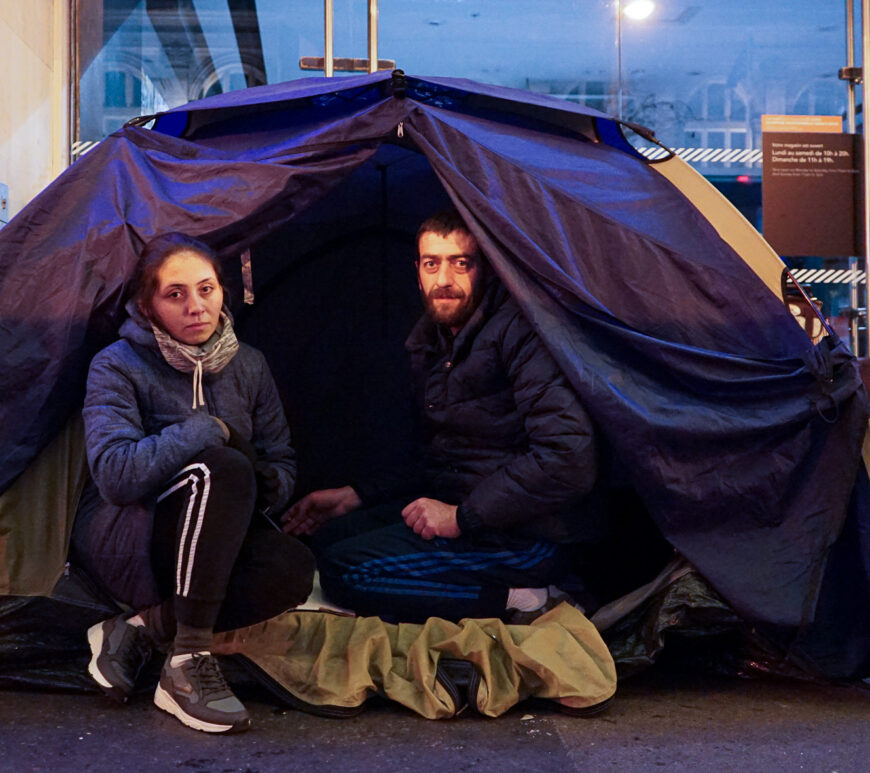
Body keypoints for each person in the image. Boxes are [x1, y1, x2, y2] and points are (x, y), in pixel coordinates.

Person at [283, 209, 601, 624]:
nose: (444, 280)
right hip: (474, 512)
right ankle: (509, 591)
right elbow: (440, 455)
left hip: (531, 532)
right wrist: (357, 495)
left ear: (486, 267)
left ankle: (530, 597)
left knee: (348, 571)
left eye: (461, 263)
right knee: (329, 539)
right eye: (432, 264)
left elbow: (569, 458)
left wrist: (461, 517)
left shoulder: (522, 333)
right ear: (418, 271)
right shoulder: (431, 343)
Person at [74, 233, 315, 734]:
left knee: (292, 568)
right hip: (129, 540)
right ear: (148, 305)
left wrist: (265, 480)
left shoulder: (249, 366)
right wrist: (206, 431)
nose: (196, 307)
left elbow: (283, 462)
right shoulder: (117, 364)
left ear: (223, 291)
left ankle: (139, 630)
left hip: (216, 541)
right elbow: (116, 476)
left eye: (206, 289)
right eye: (175, 294)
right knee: (217, 466)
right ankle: (186, 662)